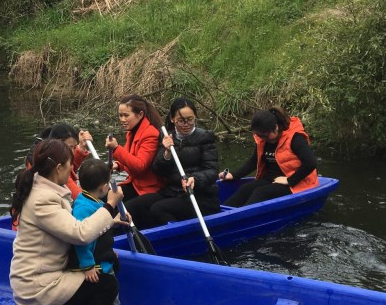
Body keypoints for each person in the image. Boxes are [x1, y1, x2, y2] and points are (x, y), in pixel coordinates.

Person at [10, 138, 126, 305]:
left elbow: (71, 227)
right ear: (58, 168)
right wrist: (110, 205)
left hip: (53, 272)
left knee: (110, 263)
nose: (72, 168)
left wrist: (110, 221)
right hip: (37, 286)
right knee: (105, 284)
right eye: (70, 164)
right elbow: (80, 234)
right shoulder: (42, 200)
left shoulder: (48, 190)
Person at [69, 158, 139, 305]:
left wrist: (114, 223)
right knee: (110, 302)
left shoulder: (93, 201)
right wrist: (88, 265)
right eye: (108, 183)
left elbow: (99, 228)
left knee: (104, 300)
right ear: (103, 187)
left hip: (103, 259)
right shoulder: (83, 208)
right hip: (96, 266)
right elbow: (81, 240)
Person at [127, 97, 220, 228]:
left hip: (200, 196)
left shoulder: (205, 137)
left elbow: (212, 171)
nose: (186, 124)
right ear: (172, 119)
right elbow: (158, 170)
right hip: (172, 192)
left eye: (190, 119)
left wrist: (195, 179)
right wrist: (166, 153)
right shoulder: (167, 137)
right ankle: (147, 239)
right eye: (181, 121)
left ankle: (178, 238)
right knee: (132, 206)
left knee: (158, 209)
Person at [220, 106, 318, 207]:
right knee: (245, 189)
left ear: (276, 127)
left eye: (266, 136)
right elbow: (254, 161)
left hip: (298, 182)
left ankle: (240, 219)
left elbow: (310, 163)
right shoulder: (262, 139)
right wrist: (233, 175)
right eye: (260, 136)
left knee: (261, 193)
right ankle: (220, 216)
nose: (263, 139)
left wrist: (289, 180)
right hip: (272, 179)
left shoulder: (295, 138)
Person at [104, 94, 165, 214]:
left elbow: (140, 165)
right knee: (103, 197)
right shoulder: (132, 131)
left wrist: (116, 148)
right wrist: (117, 165)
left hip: (148, 189)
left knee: (121, 210)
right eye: (120, 115)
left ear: (140, 114)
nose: (122, 119)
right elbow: (128, 156)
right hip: (135, 184)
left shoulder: (150, 134)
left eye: (126, 115)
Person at [25, 122, 93, 201]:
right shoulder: (51, 168)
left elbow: (69, 168)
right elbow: (79, 198)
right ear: (57, 145)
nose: (73, 152)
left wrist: (81, 146)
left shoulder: (50, 155)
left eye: (75, 147)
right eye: (70, 147)